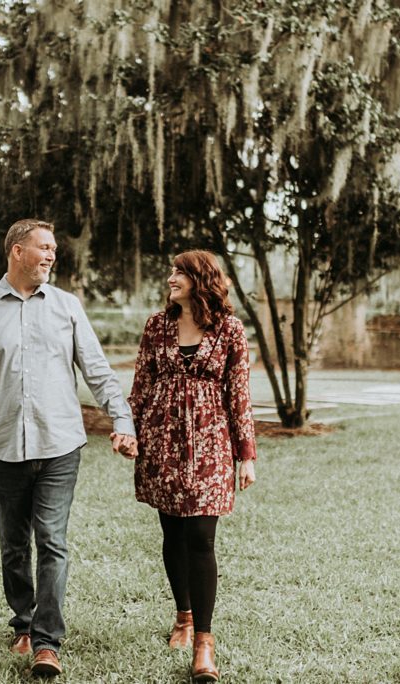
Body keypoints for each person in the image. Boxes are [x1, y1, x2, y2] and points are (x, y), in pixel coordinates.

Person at [0, 218, 137, 678]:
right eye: (43, 248)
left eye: (53, 250)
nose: (50, 255)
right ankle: (23, 622)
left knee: (51, 540)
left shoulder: (67, 307)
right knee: (13, 546)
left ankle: (47, 642)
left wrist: (121, 418)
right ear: (17, 252)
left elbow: (97, 370)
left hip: (60, 445)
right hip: (4, 447)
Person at [122, 249, 257, 683]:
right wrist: (129, 431)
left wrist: (246, 455)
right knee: (173, 532)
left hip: (211, 445)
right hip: (161, 443)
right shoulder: (156, 326)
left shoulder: (230, 330)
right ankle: (182, 614)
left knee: (201, 536)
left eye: (179, 272)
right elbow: (141, 384)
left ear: (202, 279)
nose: (170, 277)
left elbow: (239, 397)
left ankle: (203, 640)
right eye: (171, 271)